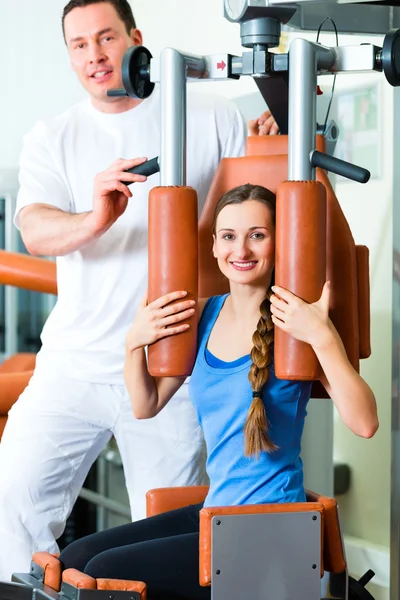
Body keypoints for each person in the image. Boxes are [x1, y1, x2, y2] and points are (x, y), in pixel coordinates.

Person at [0, 0, 277, 581]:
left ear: (136, 39)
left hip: (172, 363)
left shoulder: (213, 115)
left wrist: (269, 143)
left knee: (177, 533)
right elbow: (35, 229)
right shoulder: (55, 135)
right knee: (12, 506)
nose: (95, 56)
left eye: (106, 38)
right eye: (79, 45)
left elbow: (247, 213)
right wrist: (94, 219)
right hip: (75, 363)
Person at [58, 183, 379, 600]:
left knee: (103, 573)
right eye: (228, 236)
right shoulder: (204, 314)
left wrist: (323, 336)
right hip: (217, 509)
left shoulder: (295, 322)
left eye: (257, 235)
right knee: (76, 557)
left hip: (268, 523)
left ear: (279, 242)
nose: (241, 250)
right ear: (213, 246)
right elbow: (146, 404)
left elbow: (366, 422)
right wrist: (133, 344)